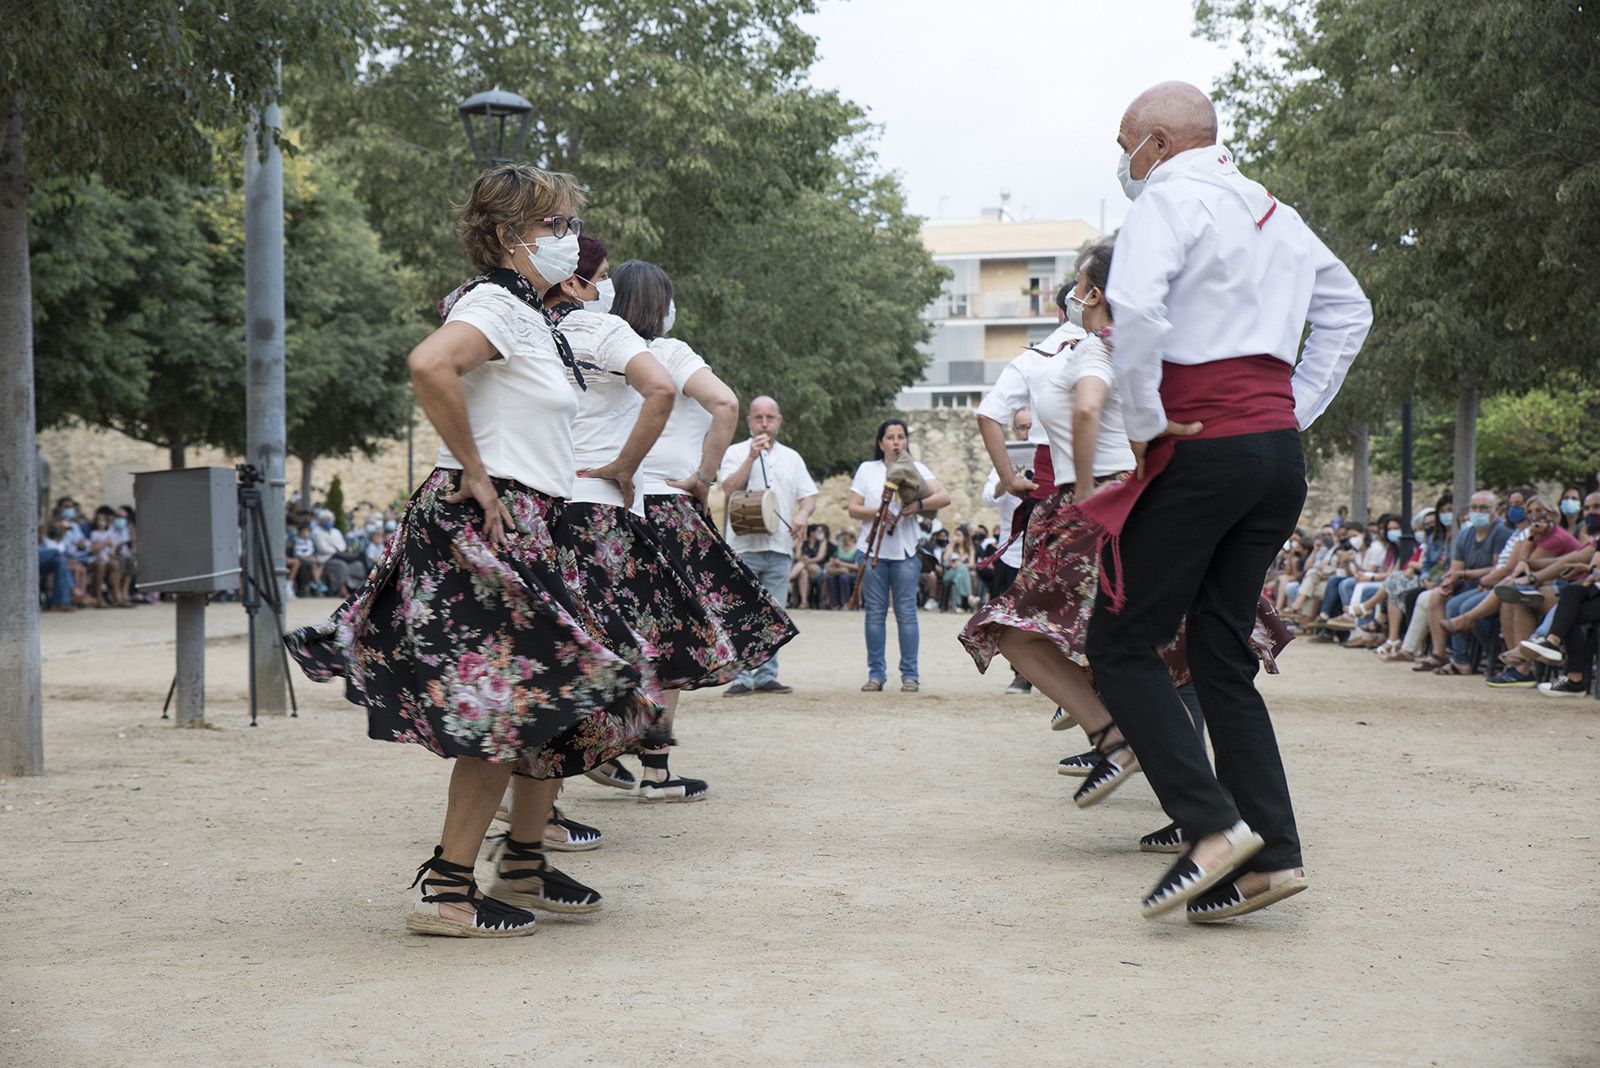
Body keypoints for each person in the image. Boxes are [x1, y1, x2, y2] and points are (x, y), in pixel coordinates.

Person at [285, 163, 665, 939]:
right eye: (555, 226)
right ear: (507, 235)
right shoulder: (495, 302)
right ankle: (449, 891)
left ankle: (522, 859)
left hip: (539, 522)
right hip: (498, 522)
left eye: (567, 225)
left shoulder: (531, 314)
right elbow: (430, 364)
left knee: (558, 702)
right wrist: (478, 475)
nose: (569, 239)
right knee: (508, 708)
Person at [1082, 82, 1372, 921]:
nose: (1124, 157)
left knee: (1122, 641)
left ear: (1162, 142)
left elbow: (1135, 309)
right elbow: (1350, 310)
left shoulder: (1167, 202)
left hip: (1204, 443)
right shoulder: (1273, 211)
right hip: (1274, 453)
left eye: (1127, 140)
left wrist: (1142, 422)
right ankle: (1271, 857)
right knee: (1218, 648)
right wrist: (1291, 409)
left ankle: (1211, 832)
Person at [607, 256, 797, 795]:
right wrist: (704, 477)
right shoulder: (670, 354)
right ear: (659, 305)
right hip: (667, 506)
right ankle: (656, 772)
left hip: (602, 508)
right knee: (671, 641)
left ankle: (599, 742)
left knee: (611, 634)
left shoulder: (598, 348)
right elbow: (724, 402)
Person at [719, 396, 818, 695]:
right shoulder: (736, 453)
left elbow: (809, 496)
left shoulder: (792, 457)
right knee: (742, 614)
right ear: (749, 421)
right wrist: (750, 457)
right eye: (758, 417)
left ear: (779, 421)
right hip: (743, 547)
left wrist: (802, 514)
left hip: (779, 548)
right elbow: (728, 489)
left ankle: (766, 675)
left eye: (770, 417)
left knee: (775, 615)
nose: (764, 423)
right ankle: (742, 677)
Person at [848, 419, 952, 692]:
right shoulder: (867, 470)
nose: (896, 442)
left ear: (906, 442)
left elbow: (944, 496)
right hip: (872, 551)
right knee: (874, 614)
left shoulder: (916, 469)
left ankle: (910, 675)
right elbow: (853, 508)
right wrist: (879, 512)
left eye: (901, 437)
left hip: (905, 552)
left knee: (906, 614)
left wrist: (917, 505)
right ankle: (876, 674)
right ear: (880, 443)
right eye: (890, 437)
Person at [824, 529, 862, 610]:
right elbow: (833, 558)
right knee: (831, 578)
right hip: (838, 571)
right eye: (843, 538)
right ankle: (835, 603)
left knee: (843, 577)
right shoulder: (839, 548)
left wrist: (843, 564)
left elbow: (856, 566)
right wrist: (835, 562)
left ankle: (845, 603)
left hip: (851, 573)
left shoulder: (856, 550)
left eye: (846, 539)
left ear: (851, 539)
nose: (844, 540)